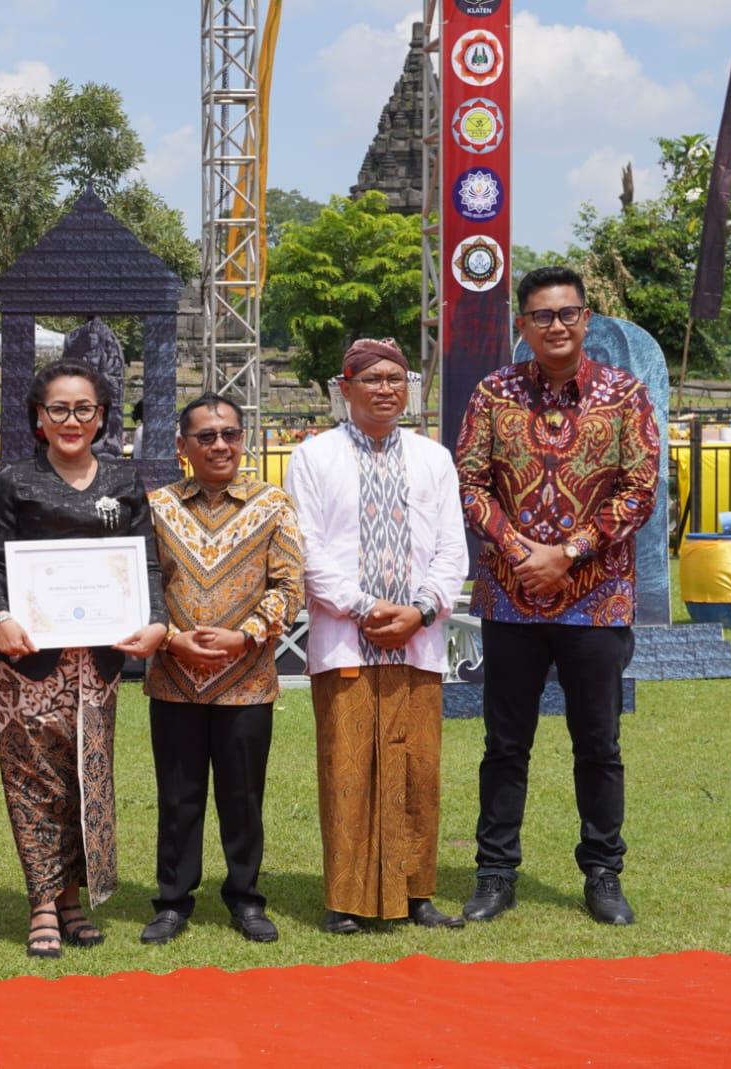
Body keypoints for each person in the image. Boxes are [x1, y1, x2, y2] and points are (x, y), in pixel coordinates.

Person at [455, 265, 659, 926]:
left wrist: (567, 553)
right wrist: (521, 553)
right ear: (523, 325)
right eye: (542, 315)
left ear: (586, 319)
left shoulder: (625, 395)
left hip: (595, 599)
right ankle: (494, 873)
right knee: (505, 743)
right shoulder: (493, 393)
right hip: (513, 600)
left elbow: (640, 490)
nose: (556, 325)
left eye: (568, 312)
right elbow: (469, 483)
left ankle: (603, 871)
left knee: (598, 742)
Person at [0, 359, 168, 958]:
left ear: (102, 416)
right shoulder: (15, 480)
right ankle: (42, 899)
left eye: (84, 409)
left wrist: (157, 620)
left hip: (98, 662)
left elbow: (148, 561)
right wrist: (2, 617)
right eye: (58, 409)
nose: (71, 420)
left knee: (87, 777)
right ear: (38, 416)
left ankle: (72, 900)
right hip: (30, 659)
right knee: (35, 778)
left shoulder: (122, 479)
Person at [286, 340, 468, 935]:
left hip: (418, 639)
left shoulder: (433, 458)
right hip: (346, 637)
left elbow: (451, 551)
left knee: (419, 769)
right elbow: (307, 551)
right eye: (371, 378)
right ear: (346, 388)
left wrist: (419, 609)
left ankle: (416, 893)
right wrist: (364, 608)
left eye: (396, 377)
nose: (386, 388)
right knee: (348, 767)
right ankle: (346, 899)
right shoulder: (313, 458)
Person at [139, 394, 303, 946]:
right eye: (205, 436)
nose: (219, 445)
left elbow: (288, 586)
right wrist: (171, 638)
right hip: (174, 677)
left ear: (243, 440)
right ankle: (172, 900)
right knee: (178, 798)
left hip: (247, 681)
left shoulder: (273, 505)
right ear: (183, 447)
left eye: (229, 434)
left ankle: (245, 898)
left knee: (242, 797)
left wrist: (246, 635)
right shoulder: (156, 506)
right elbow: (142, 584)